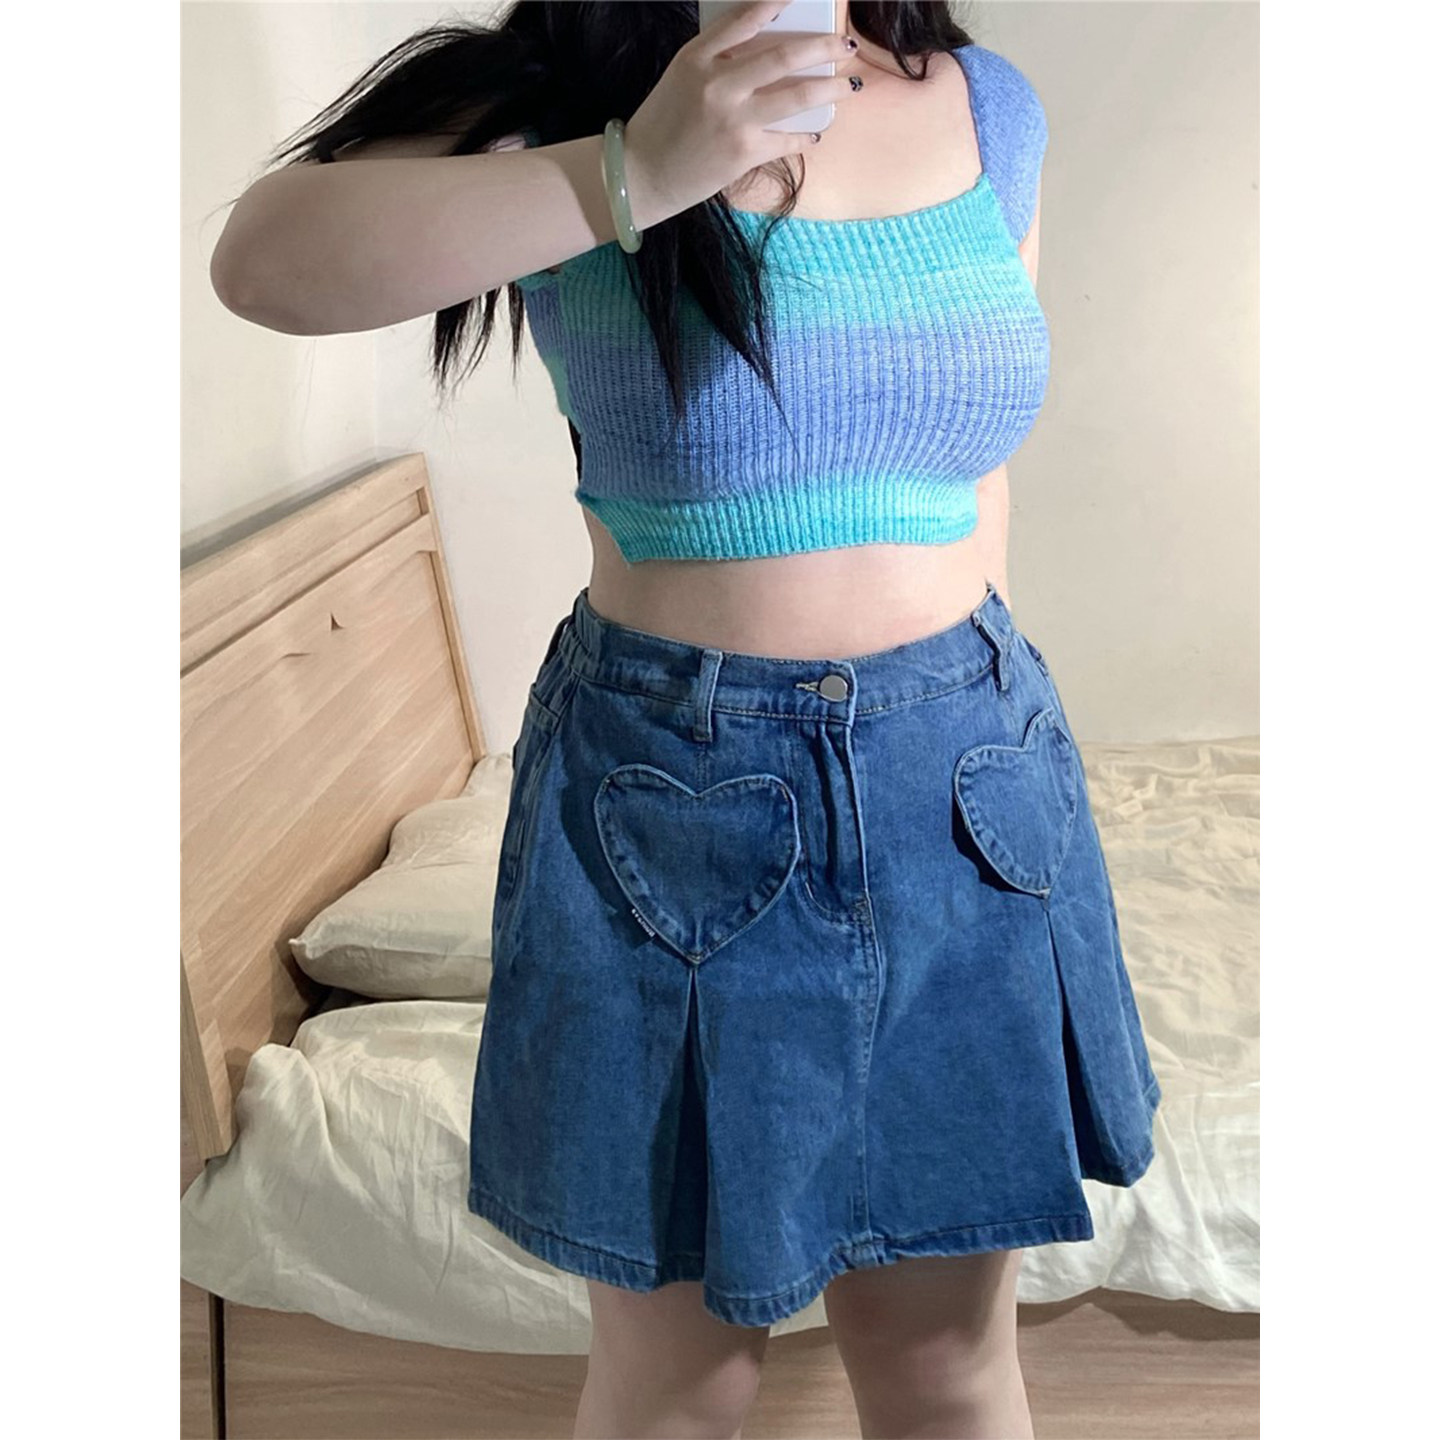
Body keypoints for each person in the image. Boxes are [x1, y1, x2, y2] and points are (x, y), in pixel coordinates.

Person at [211, 3, 1162, 1436]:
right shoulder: (557, 96)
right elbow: (265, 262)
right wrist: (637, 171)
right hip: (673, 795)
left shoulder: (986, 105)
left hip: (970, 792)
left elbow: (981, 481)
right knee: (681, 1382)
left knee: (947, 1366)